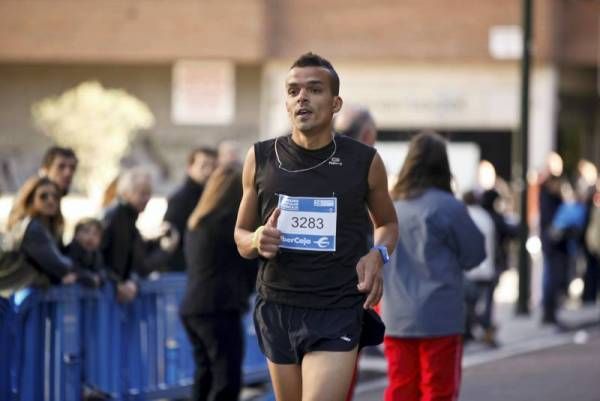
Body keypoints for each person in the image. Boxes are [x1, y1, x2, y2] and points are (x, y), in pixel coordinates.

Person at [234, 52, 398, 401]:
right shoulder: (260, 158)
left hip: (337, 307)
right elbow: (240, 236)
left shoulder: (364, 161)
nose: (302, 97)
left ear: (335, 102)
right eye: (293, 91)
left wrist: (378, 254)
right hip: (278, 304)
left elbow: (387, 223)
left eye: (314, 89)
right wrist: (258, 239)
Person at [382, 131, 485, 401]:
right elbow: (475, 254)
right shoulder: (449, 207)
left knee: (400, 389)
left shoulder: (390, 207)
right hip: (440, 316)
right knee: (438, 391)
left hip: (395, 317)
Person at [180, 166, 256, 401]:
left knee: (205, 375)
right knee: (227, 379)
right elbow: (249, 262)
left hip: (194, 307)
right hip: (218, 308)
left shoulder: (197, 222)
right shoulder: (227, 225)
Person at [101, 167, 178, 303]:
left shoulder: (129, 220)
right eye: (142, 193)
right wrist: (118, 283)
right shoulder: (117, 218)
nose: (146, 199)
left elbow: (138, 261)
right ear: (126, 194)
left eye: (149, 194)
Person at [6, 176, 78, 286]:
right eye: (43, 196)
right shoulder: (33, 227)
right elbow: (59, 266)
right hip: (22, 294)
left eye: (55, 196)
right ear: (31, 200)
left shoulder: (48, 225)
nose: (50, 200)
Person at [164, 147, 217, 271]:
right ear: (190, 168)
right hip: (185, 270)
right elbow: (172, 239)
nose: (209, 171)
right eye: (203, 166)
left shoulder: (214, 197)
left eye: (213, 166)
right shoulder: (180, 199)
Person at [462, 191, 497, 346]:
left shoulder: (464, 216)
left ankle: (480, 328)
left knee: (469, 304)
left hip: (470, 269)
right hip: (486, 267)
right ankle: (486, 327)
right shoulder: (485, 216)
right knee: (485, 304)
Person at [66, 218, 106, 288]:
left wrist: (99, 277)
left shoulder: (97, 255)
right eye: (86, 231)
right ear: (76, 234)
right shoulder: (70, 250)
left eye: (96, 234)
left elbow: (101, 271)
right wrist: (89, 277)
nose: (91, 237)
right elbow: (73, 268)